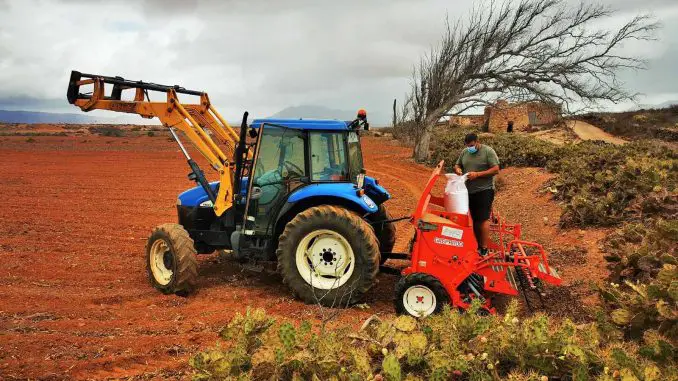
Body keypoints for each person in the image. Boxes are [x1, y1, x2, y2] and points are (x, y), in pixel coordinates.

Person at [454, 133, 500, 256]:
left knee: (482, 219)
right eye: (468, 146)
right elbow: (458, 164)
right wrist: (458, 169)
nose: (470, 148)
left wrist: (478, 174)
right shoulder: (465, 152)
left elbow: (496, 169)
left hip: (484, 190)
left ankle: (483, 248)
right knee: (472, 219)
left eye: (472, 145)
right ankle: (474, 244)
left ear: (477, 142)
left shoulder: (488, 152)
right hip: (468, 191)